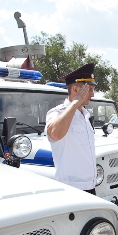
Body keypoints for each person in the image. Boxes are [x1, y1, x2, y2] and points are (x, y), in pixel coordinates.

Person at [45, 63, 97, 194]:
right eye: (89, 89)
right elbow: (55, 134)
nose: (93, 94)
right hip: (71, 188)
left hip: (90, 186)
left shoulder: (85, 115)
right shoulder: (56, 113)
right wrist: (75, 103)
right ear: (75, 89)